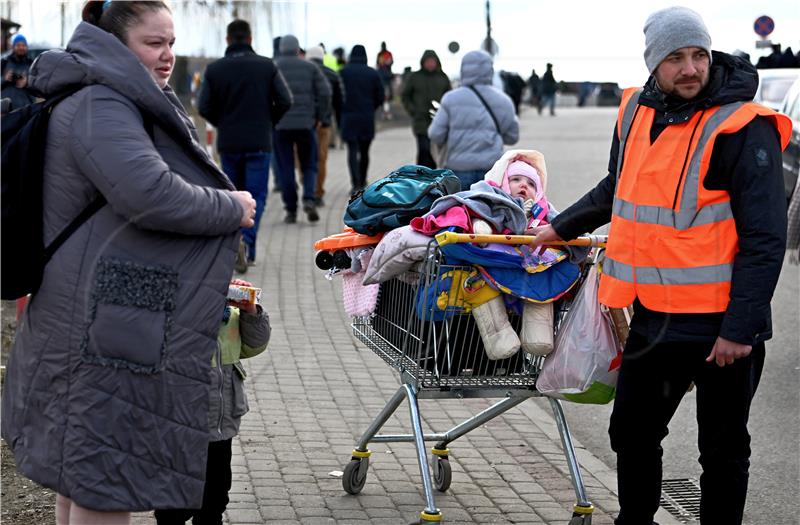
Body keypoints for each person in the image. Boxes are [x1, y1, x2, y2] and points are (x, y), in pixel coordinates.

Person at [529, 7, 791, 525]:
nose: (691, 68)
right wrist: (560, 228)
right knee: (631, 430)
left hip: (724, 326)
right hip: (655, 315)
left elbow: (766, 238)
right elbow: (616, 188)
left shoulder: (743, 126)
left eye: (699, 55)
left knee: (722, 447)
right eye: (675, 58)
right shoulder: (634, 113)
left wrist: (739, 329)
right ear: (653, 63)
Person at [0, 2, 258, 524]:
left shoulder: (105, 97)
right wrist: (232, 206)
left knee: (82, 471)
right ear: (117, 45)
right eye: (153, 43)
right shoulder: (104, 104)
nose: (167, 56)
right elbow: (150, 193)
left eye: (171, 42)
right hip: (95, 323)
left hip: (94, 309)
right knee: (104, 480)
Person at [154, 278, 270, 525]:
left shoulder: (229, 311)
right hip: (179, 420)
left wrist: (251, 310)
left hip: (220, 420)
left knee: (215, 492)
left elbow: (254, 344)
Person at [199, 19, 292, 271]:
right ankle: (247, 244)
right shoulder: (266, 66)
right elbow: (285, 100)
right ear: (250, 39)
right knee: (256, 196)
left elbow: (203, 106)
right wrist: (267, 123)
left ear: (228, 40)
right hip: (260, 142)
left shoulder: (215, 69)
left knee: (232, 196)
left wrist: (223, 123)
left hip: (229, 143)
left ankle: (232, 246)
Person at [428, 50, 519, 189]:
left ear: (463, 70)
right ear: (490, 70)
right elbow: (512, 137)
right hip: (492, 171)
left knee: (458, 210)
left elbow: (435, 134)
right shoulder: (504, 101)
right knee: (487, 210)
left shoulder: (450, 98)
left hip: (458, 170)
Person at [274, 34, 331, 224]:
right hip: (306, 125)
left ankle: (291, 209)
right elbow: (325, 92)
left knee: (286, 167)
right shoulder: (310, 67)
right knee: (309, 164)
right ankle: (308, 198)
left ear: (281, 49)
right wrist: (320, 117)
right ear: (298, 49)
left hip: (280, 126)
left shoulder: (273, 67)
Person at [339, 44, 384, 195]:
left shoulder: (343, 73)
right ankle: (363, 179)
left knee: (351, 150)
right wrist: (371, 107)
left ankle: (355, 182)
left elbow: (337, 95)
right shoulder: (372, 73)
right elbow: (381, 96)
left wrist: (342, 109)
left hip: (349, 116)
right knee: (365, 151)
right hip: (366, 117)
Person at [306, 45, 344, 206]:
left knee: (306, 158)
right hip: (325, 124)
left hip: (306, 123)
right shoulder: (332, 74)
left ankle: (308, 186)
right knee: (321, 158)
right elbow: (340, 101)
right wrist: (339, 122)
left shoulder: (304, 74)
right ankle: (318, 192)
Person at [401, 49, 451, 169]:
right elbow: (405, 96)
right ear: (423, 62)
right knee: (424, 150)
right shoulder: (415, 77)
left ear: (437, 62)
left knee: (435, 152)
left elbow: (450, 97)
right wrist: (413, 111)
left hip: (438, 120)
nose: (430, 64)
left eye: (432, 61)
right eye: (428, 61)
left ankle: (433, 179)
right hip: (420, 121)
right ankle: (420, 177)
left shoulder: (443, 77)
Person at [1, 33, 35, 110]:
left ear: (26, 47)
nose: (21, 48)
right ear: (13, 47)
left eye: (23, 45)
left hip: (26, 109)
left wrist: (27, 82)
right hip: (7, 109)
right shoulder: (4, 62)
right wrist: (5, 79)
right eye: (18, 45)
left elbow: (38, 86)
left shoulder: (32, 63)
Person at [375, 41, 394, 120]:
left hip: (387, 77)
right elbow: (378, 64)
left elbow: (391, 62)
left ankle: (386, 112)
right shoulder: (380, 54)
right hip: (382, 77)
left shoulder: (388, 54)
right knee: (384, 96)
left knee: (387, 96)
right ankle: (385, 112)